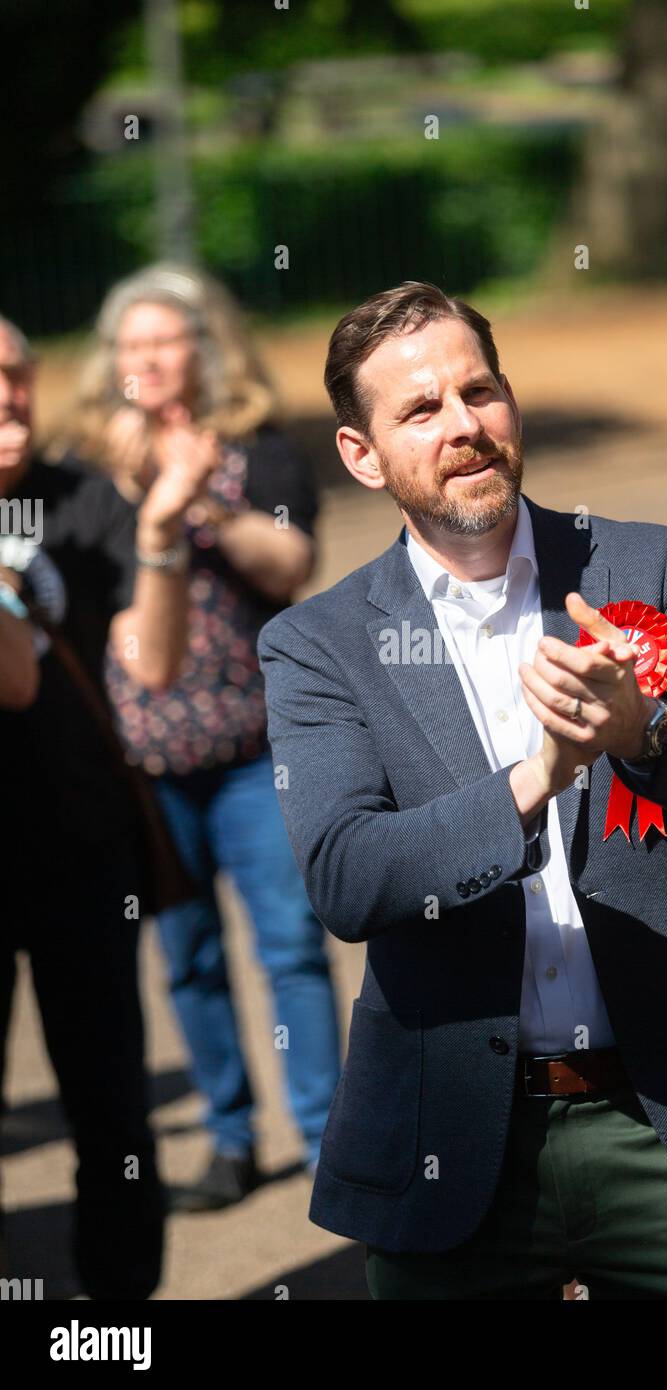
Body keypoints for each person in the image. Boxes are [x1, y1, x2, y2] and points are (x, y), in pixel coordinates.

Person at [258, 281, 667, 1301]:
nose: (463, 425)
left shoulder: (650, 562)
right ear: (360, 454)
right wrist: (538, 778)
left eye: (480, 390)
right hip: (454, 1139)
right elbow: (347, 878)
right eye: (420, 409)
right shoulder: (316, 643)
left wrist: (645, 733)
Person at [53, 265, 341, 1206]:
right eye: (129, 345)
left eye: (163, 340)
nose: (145, 358)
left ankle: (328, 1134)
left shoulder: (256, 451)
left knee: (292, 944)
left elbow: (291, 563)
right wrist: (147, 493)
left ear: (202, 349)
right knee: (189, 957)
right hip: (141, 763)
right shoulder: (85, 471)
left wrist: (200, 498)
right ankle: (228, 1138)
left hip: (258, 749)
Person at [0, 314, 166, 1299]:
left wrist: (163, 525)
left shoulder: (87, 501)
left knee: (110, 1109)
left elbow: (152, 661)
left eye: (19, 373)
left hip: (80, 853)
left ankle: (118, 1323)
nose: (9, 393)